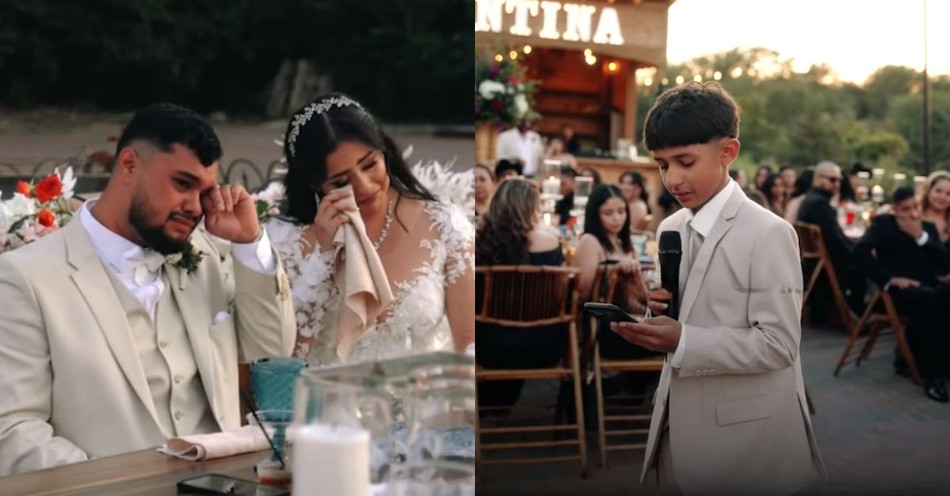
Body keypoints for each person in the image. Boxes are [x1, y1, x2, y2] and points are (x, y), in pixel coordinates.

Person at [0, 103, 296, 476]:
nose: (194, 207)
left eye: (204, 191)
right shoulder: (26, 278)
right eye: (183, 184)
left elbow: (273, 351)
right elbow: (13, 432)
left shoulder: (200, 253)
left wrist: (250, 244)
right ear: (128, 165)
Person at [611, 82, 824, 495]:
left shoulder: (769, 232)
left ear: (728, 152)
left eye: (685, 161)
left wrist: (685, 339)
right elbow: (690, 315)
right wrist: (659, 314)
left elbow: (779, 344)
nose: (672, 178)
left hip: (748, 445)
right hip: (678, 430)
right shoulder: (671, 227)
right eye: (661, 164)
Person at [265, 93, 474, 366]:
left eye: (369, 164)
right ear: (316, 185)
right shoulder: (286, 240)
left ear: (384, 151)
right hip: (328, 402)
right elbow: (283, 361)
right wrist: (323, 256)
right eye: (341, 182)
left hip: (422, 400)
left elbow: (469, 341)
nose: (364, 186)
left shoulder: (445, 225)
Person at [852, 186, 950, 402]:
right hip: (896, 294)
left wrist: (921, 237)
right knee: (929, 299)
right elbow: (860, 251)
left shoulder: (927, 229)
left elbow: (944, 264)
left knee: (942, 296)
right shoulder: (883, 225)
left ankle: (937, 364)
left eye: (915, 207)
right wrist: (888, 279)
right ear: (895, 210)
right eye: (906, 209)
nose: (913, 214)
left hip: (928, 287)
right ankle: (932, 377)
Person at [475, 178, 564, 407]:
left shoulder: (478, 242)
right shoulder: (550, 242)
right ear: (531, 208)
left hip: (491, 348)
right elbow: (559, 295)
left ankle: (492, 403)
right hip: (544, 347)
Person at [574, 184, 653, 361]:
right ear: (596, 215)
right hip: (603, 325)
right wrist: (614, 272)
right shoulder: (590, 241)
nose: (617, 219)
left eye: (621, 211)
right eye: (608, 213)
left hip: (631, 317)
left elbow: (639, 296)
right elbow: (582, 293)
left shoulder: (626, 245)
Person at [797, 160, 866, 315]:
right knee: (868, 264)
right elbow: (834, 241)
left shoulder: (810, 199)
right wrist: (857, 254)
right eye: (832, 180)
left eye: (839, 180)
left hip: (814, 264)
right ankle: (861, 314)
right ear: (818, 178)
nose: (837, 184)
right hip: (829, 266)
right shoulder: (819, 204)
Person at [919, 170, 950, 248]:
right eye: (938, 191)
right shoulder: (914, 218)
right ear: (928, 191)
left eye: (948, 194)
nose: (942, 197)